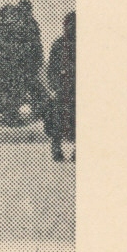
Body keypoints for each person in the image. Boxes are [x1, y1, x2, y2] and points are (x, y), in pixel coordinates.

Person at [45, 11, 76, 162]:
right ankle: (56, 148)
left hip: (78, 90)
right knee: (57, 120)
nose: (72, 28)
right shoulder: (58, 44)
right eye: (70, 24)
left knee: (78, 119)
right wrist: (55, 85)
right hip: (62, 88)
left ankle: (77, 150)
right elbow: (51, 68)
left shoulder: (86, 43)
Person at [14, 0, 46, 120]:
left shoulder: (30, 23)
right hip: (23, 61)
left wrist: (39, 58)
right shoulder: (21, 24)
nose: (21, 12)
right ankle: (18, 111)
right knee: (24, 86)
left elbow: (36, 43)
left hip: (30, 61)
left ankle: (38, 109)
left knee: (32, 86)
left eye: (24, 10)